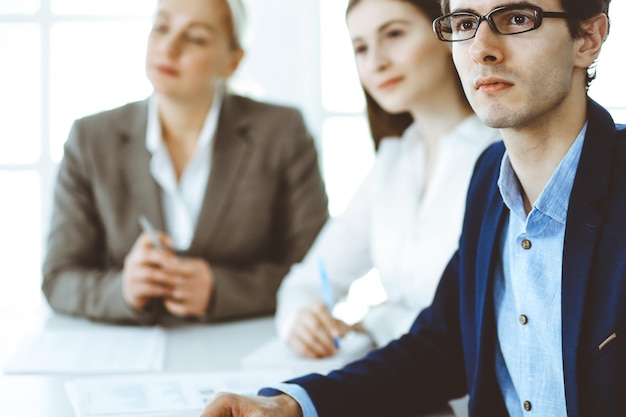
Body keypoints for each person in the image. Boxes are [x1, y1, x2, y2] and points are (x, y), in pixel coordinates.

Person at [200, 0, 625, 415]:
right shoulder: (487, 179)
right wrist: (290, 404)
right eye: (463, 23)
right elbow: (443, 346)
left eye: (516, 18)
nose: (481, 48)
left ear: (588, 37)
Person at [42, 0, 328, 325]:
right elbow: (58, 278)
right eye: (161, 27)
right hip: (126, 353)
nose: (168, 46)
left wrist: (221, 290)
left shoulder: (282, 133)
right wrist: (121, 290)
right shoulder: (91, 139)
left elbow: (319, 269)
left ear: (233, 61)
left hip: (243, 346)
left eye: (195, 37)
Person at [275, 0, 498, 359]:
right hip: (403, 381)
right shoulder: (394, 160)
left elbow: (471, 321)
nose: (376, 62)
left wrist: (376, 321)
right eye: (361, 48)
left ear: (449, 32)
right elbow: (309, 280)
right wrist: (300, 321)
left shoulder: (501, 155)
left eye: (393, 34)